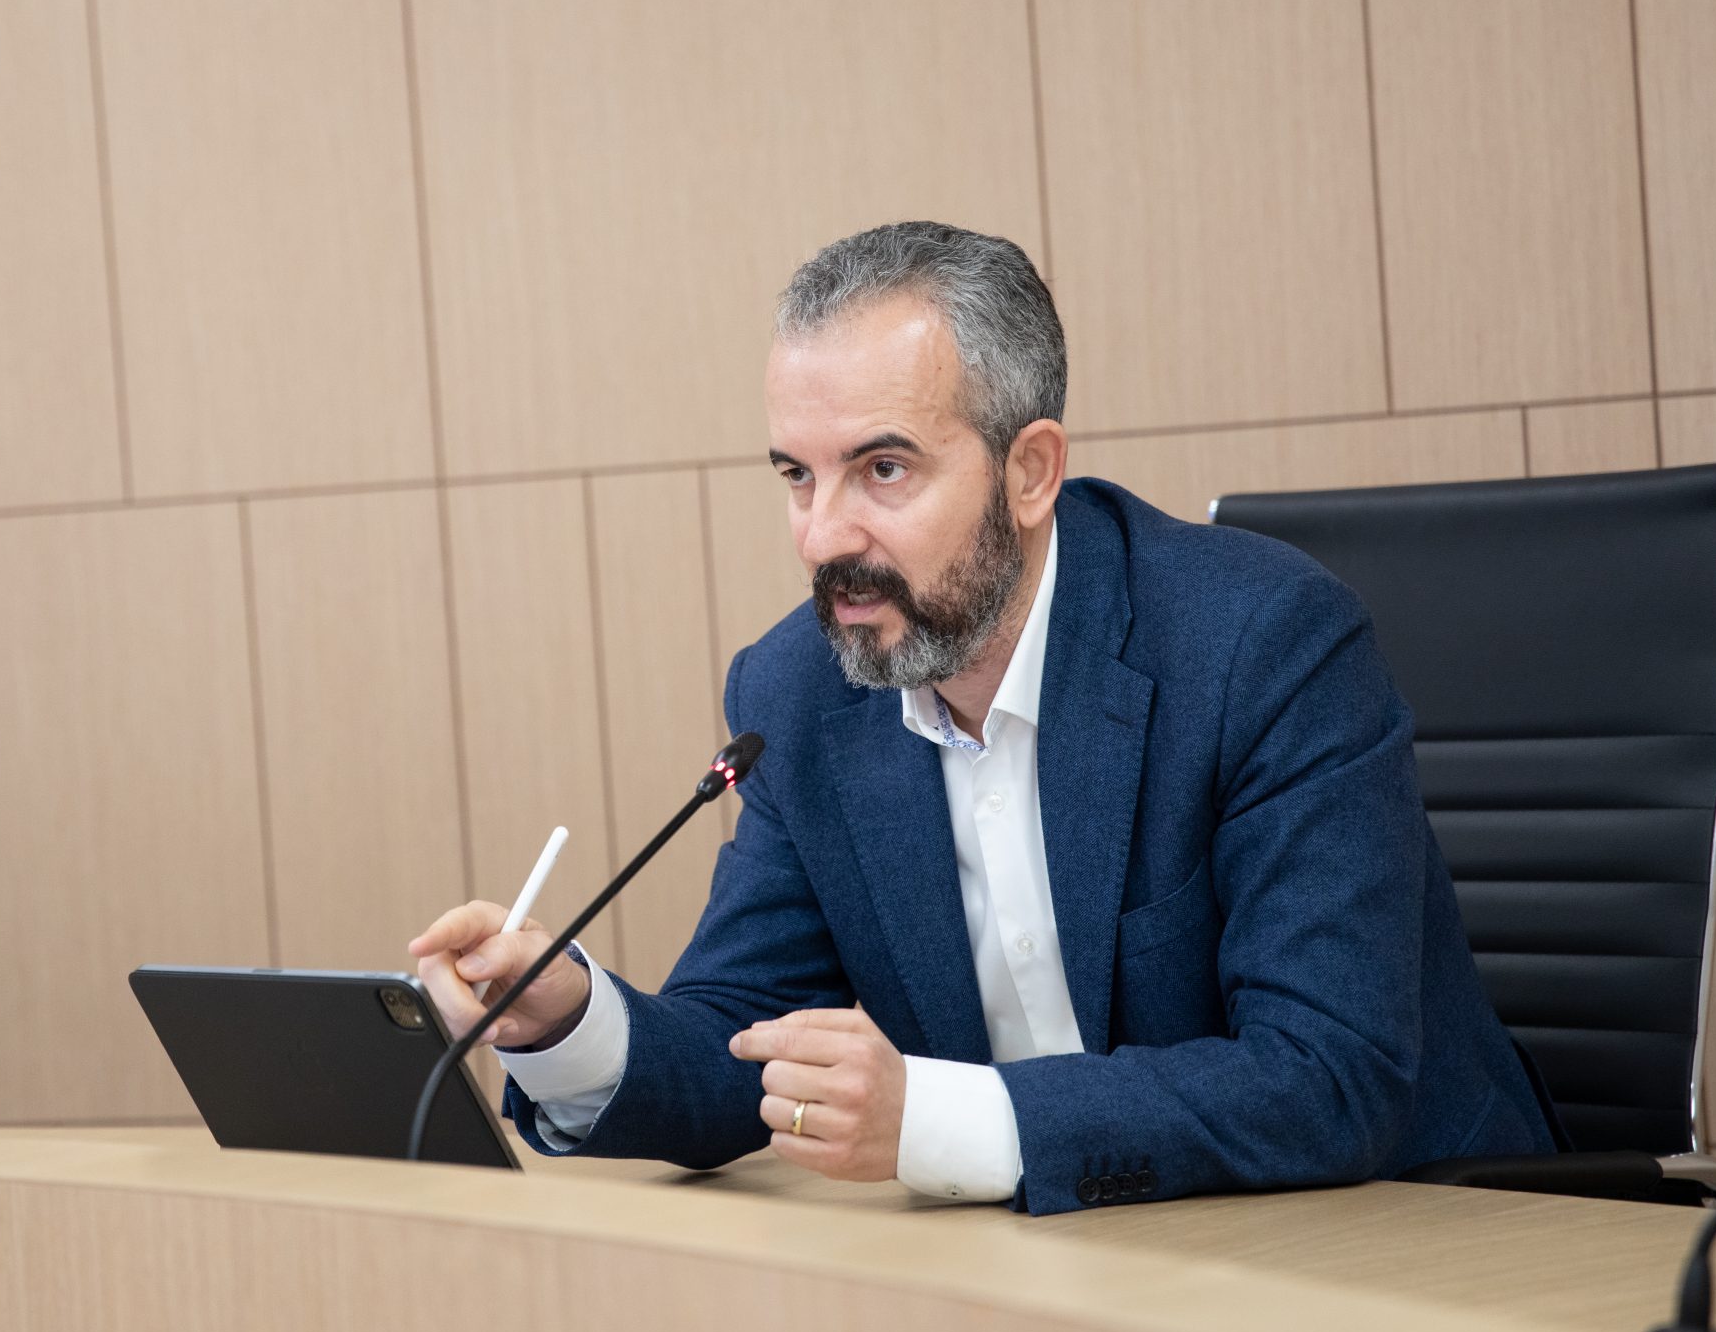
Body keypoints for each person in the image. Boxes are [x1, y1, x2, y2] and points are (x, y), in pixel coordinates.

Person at [411, 221, 1553, 1213]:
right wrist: (567, 1021)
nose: (823, 537)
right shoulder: (799, 692)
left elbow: (1327, 1077)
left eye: (883, 470)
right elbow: (746, 1046)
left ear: (1031, 472)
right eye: (797, 476)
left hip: (1416, 1239)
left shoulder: (1262, 644)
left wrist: (934, 1119)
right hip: (1063, 1268)